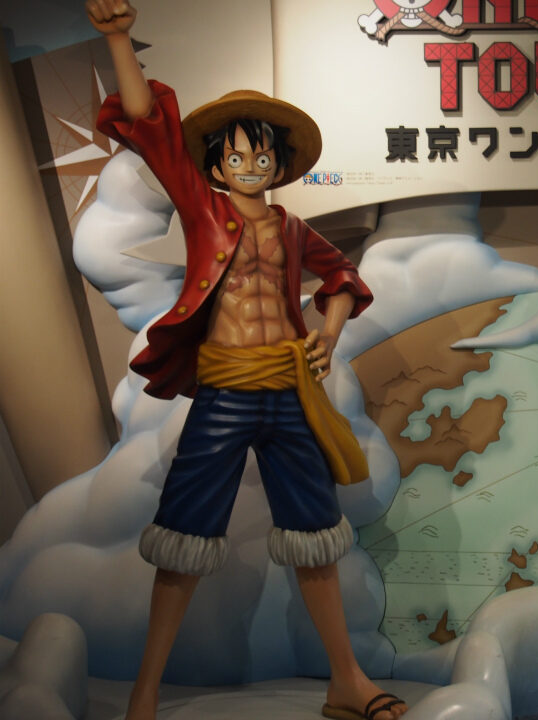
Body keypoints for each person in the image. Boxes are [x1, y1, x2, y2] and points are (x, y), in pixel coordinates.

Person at [86, 2, 406, 718]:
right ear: (215, 163)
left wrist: (329, 332)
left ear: (279, 163)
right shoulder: (202, 207)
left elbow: (343, 278)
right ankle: (144, 693)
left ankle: (346, 682)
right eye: (236, 157)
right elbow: (149, 123)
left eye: (262, 157)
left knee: (316, 537)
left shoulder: (293, 227)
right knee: (183, 538)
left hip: (289, 394)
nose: (251, 167)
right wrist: (117, 38)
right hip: (225, 393)